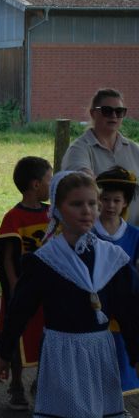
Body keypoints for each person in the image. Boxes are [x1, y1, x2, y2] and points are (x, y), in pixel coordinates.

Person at [0, 171, 139, 418]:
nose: (87, 211)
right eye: (76, 204)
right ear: (58, 209)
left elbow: (130, 311)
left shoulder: (112, 258)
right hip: (62, 355)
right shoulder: (45, 261)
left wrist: (136, 354)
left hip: (101, 354)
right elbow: (19, 310)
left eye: (92, 203)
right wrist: (4, 353)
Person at [0, 156, 52, 411]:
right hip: (22, 289)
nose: (53, 183)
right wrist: (15, 285)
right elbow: (7, 257)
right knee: (16, 336)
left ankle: (43, 380)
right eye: (50, 178)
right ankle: (16, 384)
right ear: (36, 184)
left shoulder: (53, 213)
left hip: (48, 290)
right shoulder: (14, 217)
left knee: (48, 335)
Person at [62, 88, 139, 226]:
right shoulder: (79, 149)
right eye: (107, 111)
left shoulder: (135, 149)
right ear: (93, 113)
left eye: (119, 111)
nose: (114, 115)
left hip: (133, 237)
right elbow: (82, 182)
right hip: (95, 236)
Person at [94, 166, 139, 396]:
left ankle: (116, 406)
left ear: (125, 203)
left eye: (117, 200)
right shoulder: (88, 231)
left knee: (120, 358)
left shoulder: (134, 234)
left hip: (124, 306)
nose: (110, 205)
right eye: (106, 199)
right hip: (95, 305)